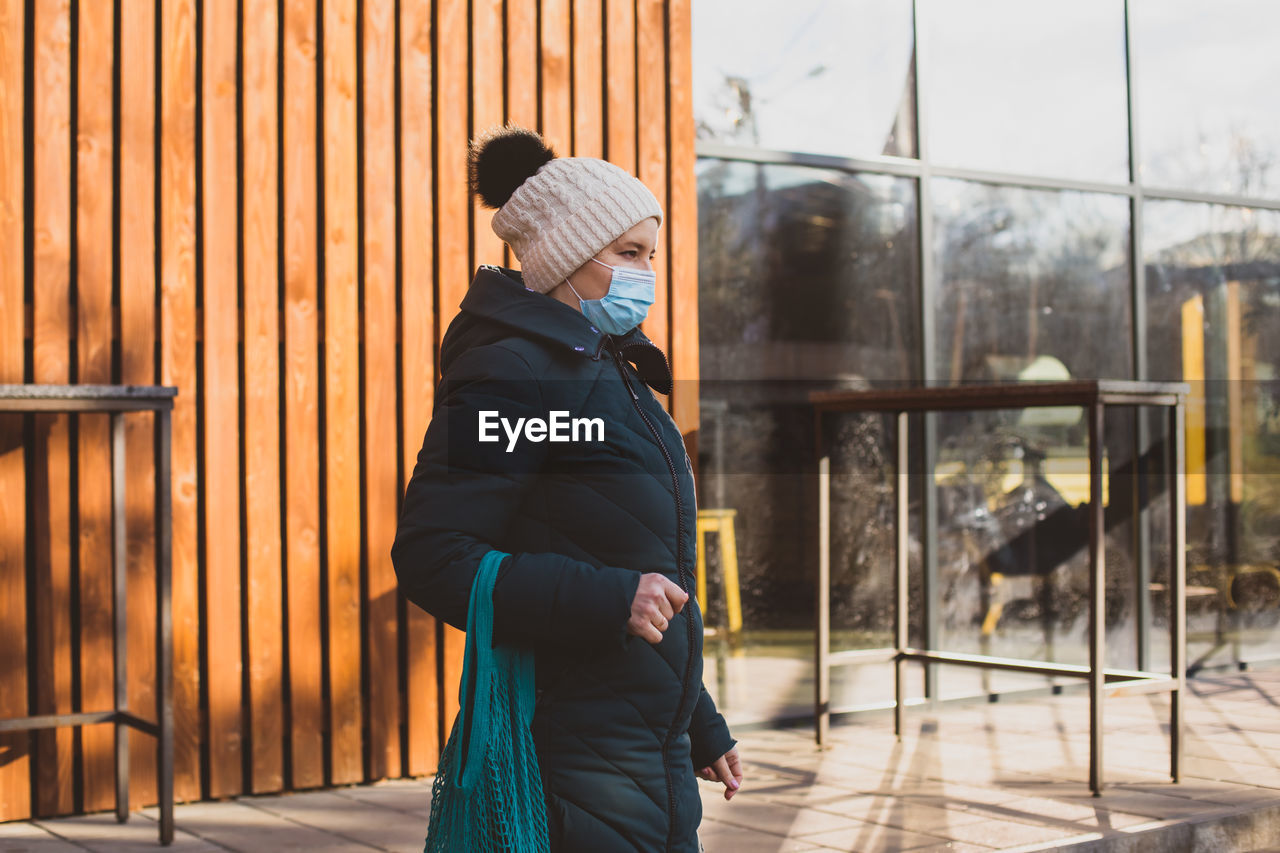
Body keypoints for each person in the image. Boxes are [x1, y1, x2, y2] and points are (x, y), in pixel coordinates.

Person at [392, 125, 742, 853]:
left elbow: (635, 554)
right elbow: (435, 553)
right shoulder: (519, 373)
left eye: (651, 254)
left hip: (650, 748)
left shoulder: (611, 370)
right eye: (627, 254)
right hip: (573, 755)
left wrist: (698, 720)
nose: (646, 273)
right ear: (566, 259)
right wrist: (612, 600)